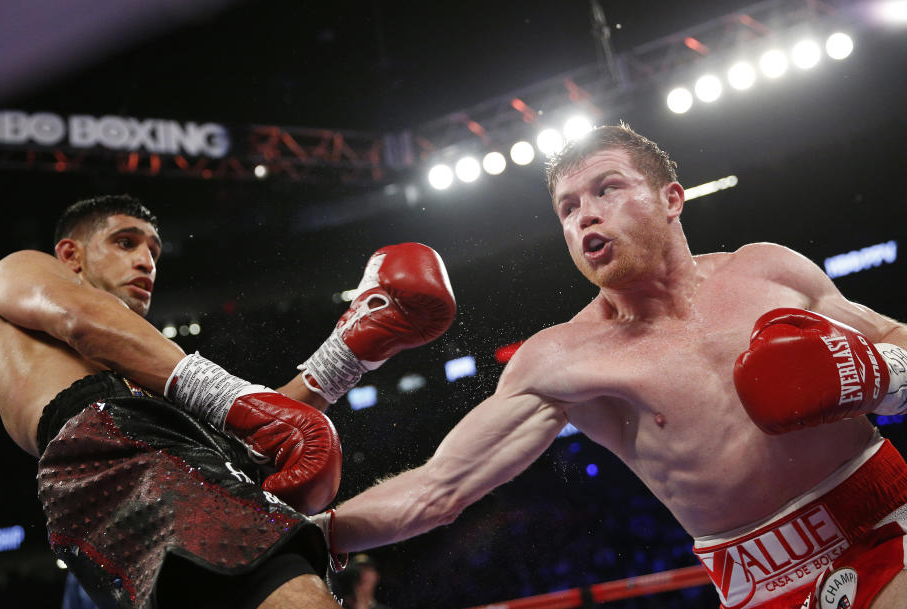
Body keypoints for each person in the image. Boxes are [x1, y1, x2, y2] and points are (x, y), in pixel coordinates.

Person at [310, 124, 907, 609]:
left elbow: (894, 339)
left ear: (672, 199)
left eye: (606, 190)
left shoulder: (770, 271)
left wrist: (882, 375)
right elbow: (438, 488)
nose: (585, 216)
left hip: (891, 519)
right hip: (761, 583)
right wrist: (305, 533)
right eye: (567, 208)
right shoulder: (566, 357)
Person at [0, 194, 456, 609]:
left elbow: (255, 432)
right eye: (125, 242)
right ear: (70, 255)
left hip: (150, 477)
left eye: (154, 250)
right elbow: (81, 318)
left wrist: (342, 358)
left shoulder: (148, 370)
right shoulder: (19, 273)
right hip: (121, 464)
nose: (146, 261)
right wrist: (233, 398)